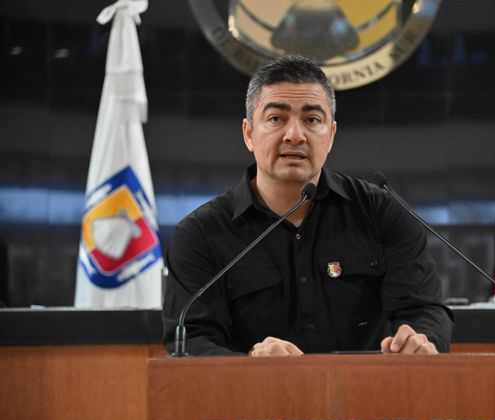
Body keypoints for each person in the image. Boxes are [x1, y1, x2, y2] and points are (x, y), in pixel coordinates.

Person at [162, 55, 453, 356]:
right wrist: (250, 366)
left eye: (312, 120)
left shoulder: (381, 213)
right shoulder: (201, 234)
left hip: (367, 386)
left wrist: (422, 341)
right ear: (249, 134)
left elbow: (425, 311)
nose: (295, 135)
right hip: (256, 387)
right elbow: (191, 341)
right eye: (276, 119)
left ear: (331, 135)